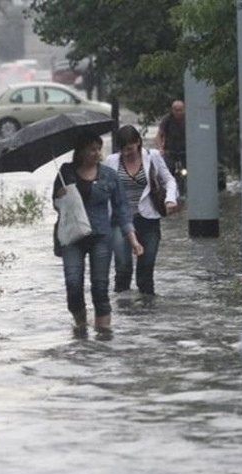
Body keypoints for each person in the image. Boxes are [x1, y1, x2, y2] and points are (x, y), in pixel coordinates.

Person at [53, 133, 143, 337]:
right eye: (92, 149)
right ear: (82, 151)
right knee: (73, 283)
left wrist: (133, 240)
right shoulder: (65, 172)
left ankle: (103, 337)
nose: (97, 153)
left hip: (101, 236)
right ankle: (81, 326)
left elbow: (122, 209)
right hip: (72, 237)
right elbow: (56, 205)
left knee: (100, 286)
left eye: (98, 148)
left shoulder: (109, 175)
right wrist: (61, 197)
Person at [104, 125, 178, 296]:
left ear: (138, 142)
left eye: (129, 148)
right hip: (120, 221)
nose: (127, 153)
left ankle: (147, 312)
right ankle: (123, 310)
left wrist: (170, 200)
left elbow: (169, 180)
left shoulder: (152, 157)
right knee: (123, 267)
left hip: (148, 220)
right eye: (123, 149)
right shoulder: (111, 161)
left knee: (146, 268)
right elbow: (104, 189)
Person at [154, 100, 186, 173]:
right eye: (176, 110)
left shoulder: (189, 119)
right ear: (172, 110)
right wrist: (160, 149)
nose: (178, 112)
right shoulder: (167, 119)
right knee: (167, 170)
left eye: (180, 110)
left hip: (185, 151)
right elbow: (159, 136)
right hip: (170, 151)